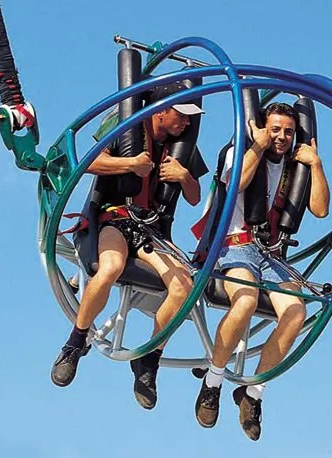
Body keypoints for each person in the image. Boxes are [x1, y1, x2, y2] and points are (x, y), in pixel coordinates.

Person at [52, 82, 209, 412]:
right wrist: (131, 165)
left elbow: (195, 198)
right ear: (161, 111)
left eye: (190, 118)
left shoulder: (183, 147)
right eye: (181, 115)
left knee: (184, 287)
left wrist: (184, 176)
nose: (186, 123)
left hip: (151, 230)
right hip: (115, 218)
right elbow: (88, 163)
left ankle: (149, 360)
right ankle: (75, 342)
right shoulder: (127, 129)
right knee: (110, 266)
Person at [194, 102, 330, 440]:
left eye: (288, 132)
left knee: (296, 313)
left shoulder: (295, 167)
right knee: (245, 301)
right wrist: (257, 145)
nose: (282, 137)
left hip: (271, 254)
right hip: (234, 244)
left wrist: (315, 164)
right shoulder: (238, 152)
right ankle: (213, 381)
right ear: (262, 128)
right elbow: (237, 184)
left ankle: (253, 393)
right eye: (275, 130)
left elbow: (320, 210)